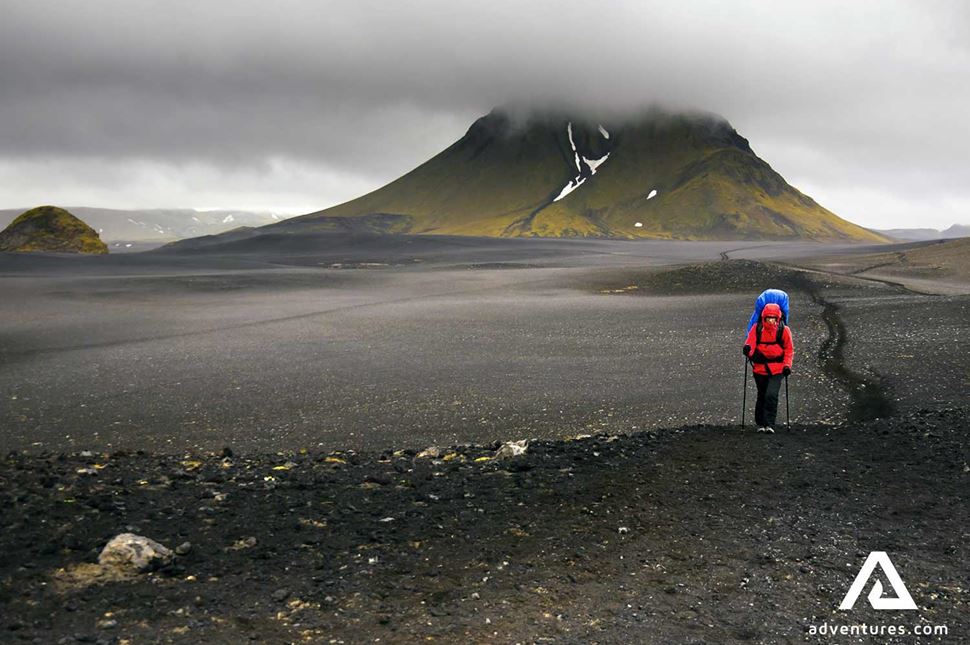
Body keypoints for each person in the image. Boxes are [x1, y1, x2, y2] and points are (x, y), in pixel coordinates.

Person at [742, 303, 794, 433]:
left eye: (773, 318)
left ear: (778, 318)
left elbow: (789, 350)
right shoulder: (757, 328)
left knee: (771, 395)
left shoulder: (784, 330)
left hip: (778, 369)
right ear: (764, 318)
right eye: (768, 318)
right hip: (760, 369)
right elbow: (750, 343)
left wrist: (787, 365)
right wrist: (747, 349)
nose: (771, 320)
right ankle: (760, 424)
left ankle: (769, 424)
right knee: (762, 395)